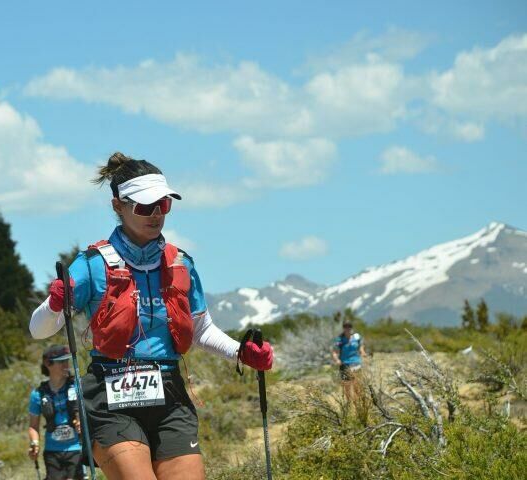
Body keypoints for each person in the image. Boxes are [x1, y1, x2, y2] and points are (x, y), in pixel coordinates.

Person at [29, 152, 274, 480]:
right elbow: (39, 330)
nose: (156, 213)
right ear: (118, 206)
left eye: (164, 204)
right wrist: (55, 304)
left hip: (170, 394)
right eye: (145, 206)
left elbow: (201, 329)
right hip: (109, 394)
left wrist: (241, 354)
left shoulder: (180, 264)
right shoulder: (91, 264)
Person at [28, 344, 84, 480]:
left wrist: (82, 422)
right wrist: (34, 443)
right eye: (61, 362)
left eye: (67, 360)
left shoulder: (77, 386)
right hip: (52, 452)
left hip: (76, 448)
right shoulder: (38, 394)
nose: (66, 365)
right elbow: (33, 426)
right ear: (48, 364)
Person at [331, 321, 367, 402]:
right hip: (345, 364)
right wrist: (337, 359)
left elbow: (361, 345)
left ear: (351, 327)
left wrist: (362, 351)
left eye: (349, 326)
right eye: (345, 327)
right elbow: (335, 351)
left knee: (357, 385)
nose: (348, 328)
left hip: (356, 363)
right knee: (347, 386)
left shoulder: (356, 337)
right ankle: (349, 404)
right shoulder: (339, 339)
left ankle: (359, 404)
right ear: (343, 328)